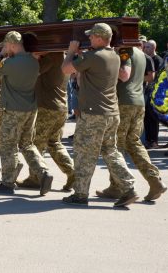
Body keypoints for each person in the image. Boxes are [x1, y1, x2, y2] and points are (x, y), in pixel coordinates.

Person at [61, 23, 138, 207]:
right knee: (110, 151)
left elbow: (65, 69)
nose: (89, 39)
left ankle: (80, 194)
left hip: (93, 114)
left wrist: (71, 52)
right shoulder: (115, 56)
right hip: (111, 112)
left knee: (84, 153)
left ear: (99, 38)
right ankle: (128, 187)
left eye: (91, 36)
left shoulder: (93, 56)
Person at [96, 46, 166, 201]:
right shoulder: (141, 53)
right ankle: (154, 181)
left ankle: (117, 187)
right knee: (134, 143)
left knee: (116, 145)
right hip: (138, 101)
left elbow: (124, 75)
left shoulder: (124, 52)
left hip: (124, 102)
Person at [0, 31, 53, 195]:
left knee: (8, 145)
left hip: (13, 110)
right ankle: (43, 172)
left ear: (12, 45)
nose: (5, 48)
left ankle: (8, 182)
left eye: (6, 46)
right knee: (27, 144)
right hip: (30, 109)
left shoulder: (10, 62)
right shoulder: (34, 62)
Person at [17, 52, 75, 191]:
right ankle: (73, 172)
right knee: (54, 143)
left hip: (46, 107)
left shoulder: (51, 57)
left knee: (36, 143)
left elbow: (31, 72)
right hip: (60, 106)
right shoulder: (63, 56)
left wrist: (32, 57)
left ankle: (36, 178)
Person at [143, 39, 162, 149]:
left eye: (148, 47)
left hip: (155, 92)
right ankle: (149, 140)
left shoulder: (157, 60)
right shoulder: (146, 59)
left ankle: (154, 141)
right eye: (145, 47)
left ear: (154, 48)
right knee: (147, 117)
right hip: (147, 91)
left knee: (153, 117)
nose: (145, 49)